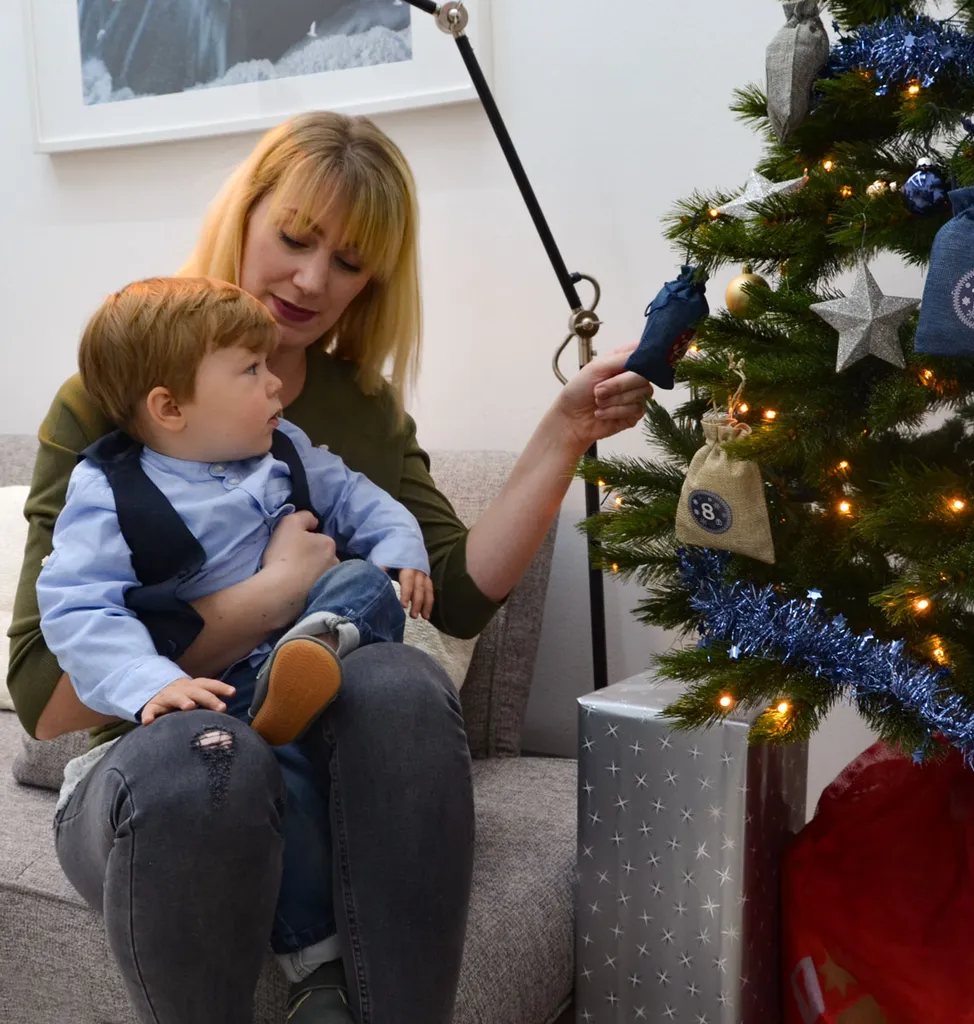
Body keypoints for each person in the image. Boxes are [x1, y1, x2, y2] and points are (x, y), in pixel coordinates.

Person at [7, 111, 652, 1024]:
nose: (313, 280)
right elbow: (43, 692)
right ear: (247, 218)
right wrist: (266, 597)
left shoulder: (359, 415)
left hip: (318, 765)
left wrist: (564, 431)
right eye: (296, 238)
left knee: (394, 677)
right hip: (147, 766)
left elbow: (455, 593)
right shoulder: (122, 401)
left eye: (348, 263)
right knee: (206, 755)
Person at [38, 275, 434, 754]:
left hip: (328, 672)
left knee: (365, 583)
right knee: (237, 764)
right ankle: (285, 702)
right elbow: (80, 607)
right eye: (251, 368)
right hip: (219, 692)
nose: (275, 382)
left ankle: (311, 656)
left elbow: (353, 494)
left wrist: (398, 543)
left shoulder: (284, 445)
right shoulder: (109, 491)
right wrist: (151, 681)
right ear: (169, 407)